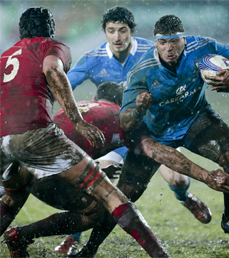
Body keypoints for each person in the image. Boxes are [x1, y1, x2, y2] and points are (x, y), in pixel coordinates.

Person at [0, 7, 173, 258]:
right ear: (50, 30)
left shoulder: (4, 56)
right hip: (34, 135)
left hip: (2, 139)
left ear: (22, 30)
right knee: (108, 196)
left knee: (12, 199)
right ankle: (160, 256)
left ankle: (17, 239)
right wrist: (77, 120)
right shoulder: (51, 47)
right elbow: (52, 70)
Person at [2, 82, 229, 258]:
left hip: (21, 156)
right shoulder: (121, 116)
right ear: (122, 102)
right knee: (97, 210)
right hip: (51, 167)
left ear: (97, 97)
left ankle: (17, 238)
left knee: (14, 198)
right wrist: (206, 175)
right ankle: (21, 235)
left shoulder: (80, 107)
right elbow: (160, 152)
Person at [56, 6, 212, 254]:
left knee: (178, 178)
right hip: (116, 134)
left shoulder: (152, 51)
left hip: (152, 131)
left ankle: (185, 197)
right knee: (95, 182)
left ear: (132, 31)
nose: (117, 37)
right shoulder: (93, 59)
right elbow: (62, 85)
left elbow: (180, 71)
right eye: (111, 31)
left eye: (122, 30)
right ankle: (73, 237)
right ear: (104, 32)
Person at [117, 14, 229, 248]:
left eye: (175, 41)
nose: (169, 48)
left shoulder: (202, 47)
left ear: (184, 39)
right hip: (155, 133)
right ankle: (90, 246)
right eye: (163, 42)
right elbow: (125, 122)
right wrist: (138, 109)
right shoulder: (142, 71)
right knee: (122, 197)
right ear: (155, 43)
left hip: (195, 119)